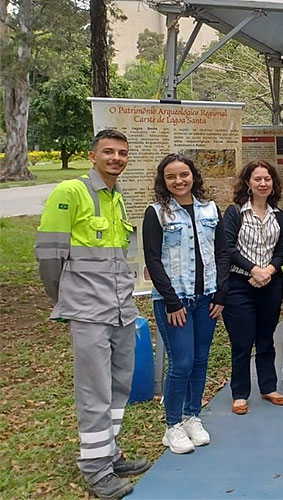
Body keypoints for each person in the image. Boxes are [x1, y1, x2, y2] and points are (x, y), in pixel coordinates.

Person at [35, 130, 149, 500]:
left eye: (122, 153)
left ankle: (109, 453)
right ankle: (96, 470)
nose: (116, 158)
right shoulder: (71, 193)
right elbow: (49, 256)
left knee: (119, 387)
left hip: (120, 310)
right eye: (109, 152)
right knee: (94, 391)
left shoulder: (115, 199)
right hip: (89, 313)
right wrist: (66, 300)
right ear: (92, 155)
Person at [143, 154, 228, 454]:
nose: (179, 181)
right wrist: (171, 301)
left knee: (200, 360)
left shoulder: (210, 209)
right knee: (181, 363)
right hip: (174, 301)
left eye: (184, 174)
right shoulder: (157, 213)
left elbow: (221, 253)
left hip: (206, 299)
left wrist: (220, 294)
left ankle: (193, 416)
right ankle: (172, 425)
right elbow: (153, 260)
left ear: (193, 175)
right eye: (171, 176)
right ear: (163, 181)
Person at [222, 160, 283, 415]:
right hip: (240, 284)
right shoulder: (235, 212)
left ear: (273, 184)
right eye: (257, 179)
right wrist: (254, 270)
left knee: (266, 338)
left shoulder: (278, 215)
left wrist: (269, 271)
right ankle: (240, 394)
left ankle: (268, 387)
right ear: (248, 183)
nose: (263, 183)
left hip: (271, 283)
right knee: (242, 341)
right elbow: (228, 248)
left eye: (267, 179)